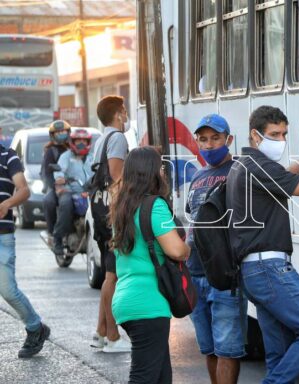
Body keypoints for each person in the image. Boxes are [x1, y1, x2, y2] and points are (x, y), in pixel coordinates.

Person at [226, 105, 299, 384]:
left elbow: (288, 175)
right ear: (255, 136)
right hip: (270, 270)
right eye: (274, 134)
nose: (281, 140)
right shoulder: (258, 167)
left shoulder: (245, 165)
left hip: (255, 273)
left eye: (284, 134)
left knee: (279, 354)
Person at [111, 146, 190, 383]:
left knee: (161, 377)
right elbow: (176, 250)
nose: (164, 172)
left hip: (126, 300)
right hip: (148, 303)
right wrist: (188, 247)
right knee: (143, 378)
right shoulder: (154, 205)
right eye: (161, 167)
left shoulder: (122, 207)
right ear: (153, 172)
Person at [186, 114, 248, 384]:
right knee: (209, 348)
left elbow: (281, 178)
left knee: (227, 349)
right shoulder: (197, 176)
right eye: (203, 139)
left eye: (215, 138)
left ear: (229, 140)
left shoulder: (240, 170)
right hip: (195, 274)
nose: (209, 145)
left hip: (225, 277)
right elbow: (193, 223)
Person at [0, 144, 50, 358]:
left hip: (2, 235)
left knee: (8, 290)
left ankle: (35, 327)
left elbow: (24, 189)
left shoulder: (7, 155)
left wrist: (7, 204)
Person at [90, 95, 130, 353]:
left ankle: (101, 331)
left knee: (108, 271)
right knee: (113, 275)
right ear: (118, 114)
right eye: (124, 112)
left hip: (98, 207)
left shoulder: (100, 139)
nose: (126, 117)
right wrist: (121, 214)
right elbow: (116, 177)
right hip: (110, 211)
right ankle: (113, 337)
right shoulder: (117, 138)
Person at [52, 128, 93, 256]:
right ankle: (58, 239)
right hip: (71, 191)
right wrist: (60, 178)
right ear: (72, 142)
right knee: (66, 204)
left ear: (88, 142)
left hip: (90, 192)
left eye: (84, 141)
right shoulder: (66, 156)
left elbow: (100, 171)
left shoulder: (93, 157)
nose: (81, 143)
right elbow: (59, 171)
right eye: (78, 140)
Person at [41, 120, 70, 246]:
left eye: (63, 131)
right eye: (58, 132)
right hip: (55, 186)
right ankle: (52, 233)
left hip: (73, 185)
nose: (61, 134)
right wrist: (55, 186)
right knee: (49, 201)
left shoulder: (73, 148)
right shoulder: (50, 151)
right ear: (52, 135)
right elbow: (46, 173)